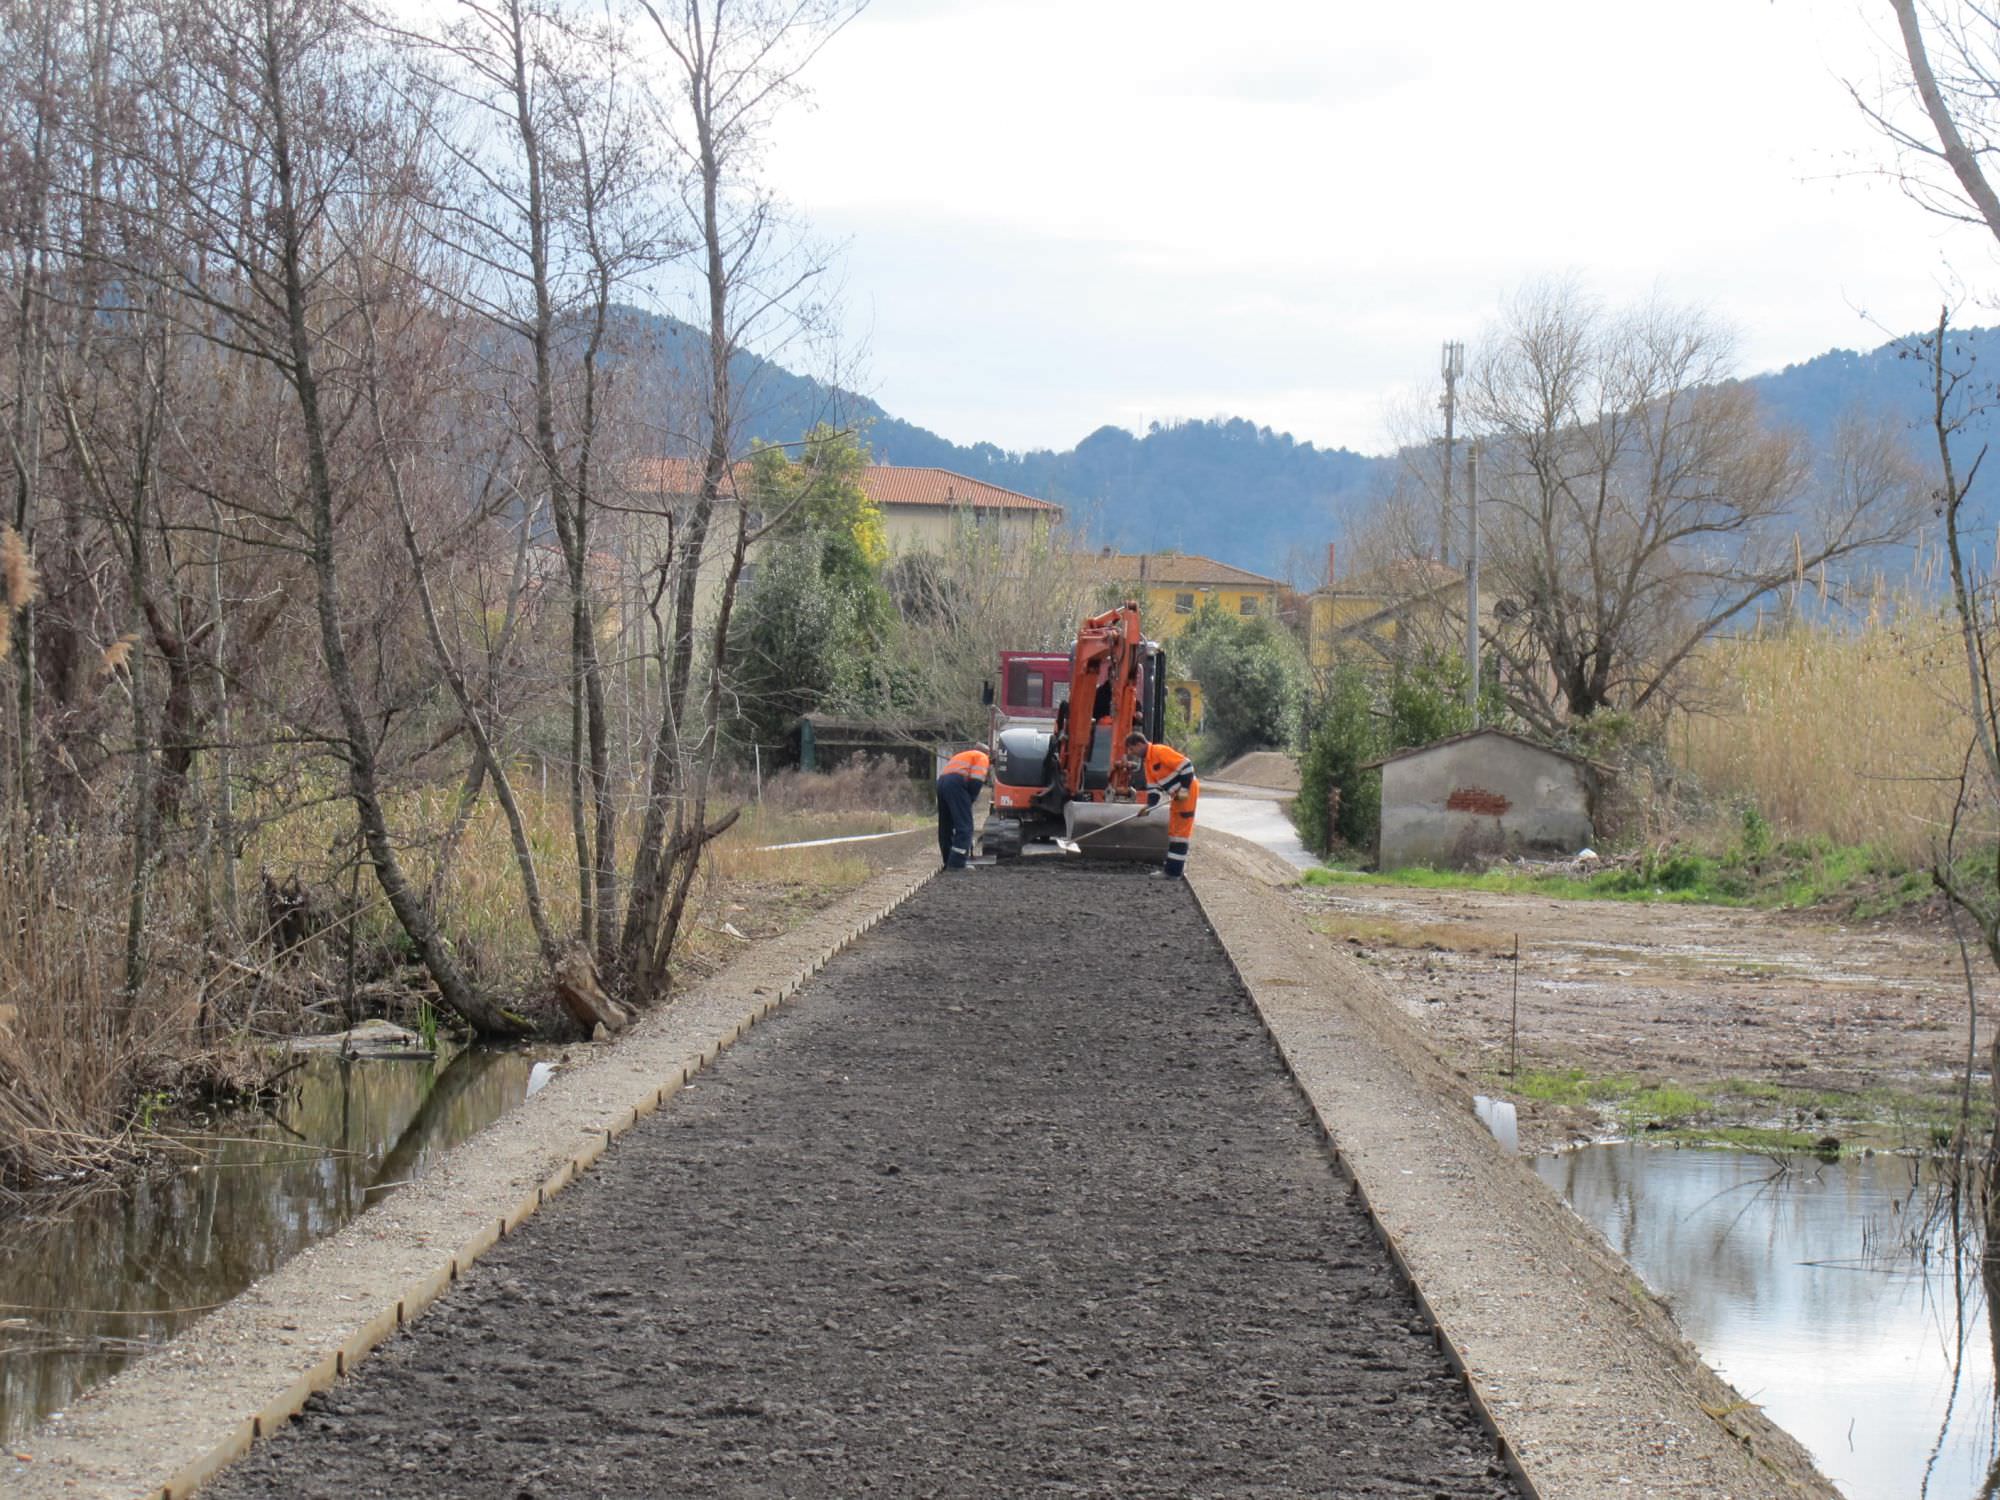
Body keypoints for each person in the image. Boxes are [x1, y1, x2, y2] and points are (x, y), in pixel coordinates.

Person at [1124, 730, 1198, 878]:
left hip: (1187, 793)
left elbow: (1187, 767)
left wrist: (1183, 791)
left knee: (1180, 834)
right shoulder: (1148, 763)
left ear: (1139, 744)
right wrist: (1149, 807)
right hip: (1177, 796)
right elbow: (1154, 790)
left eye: (1132, 749)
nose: (1131, 753)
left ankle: (1173, 872)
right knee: (1174, 833)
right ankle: (1173, 869)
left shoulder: (1160, 751)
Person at [935, 743, 990, 871]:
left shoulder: (963, 755)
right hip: (956, 784)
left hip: (942, 783)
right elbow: (976, 781)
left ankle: (948, 860)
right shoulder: (982, 757)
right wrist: (969, 800)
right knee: (965, 826)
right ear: (988, 753)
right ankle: (957, 863)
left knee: (946, 825)